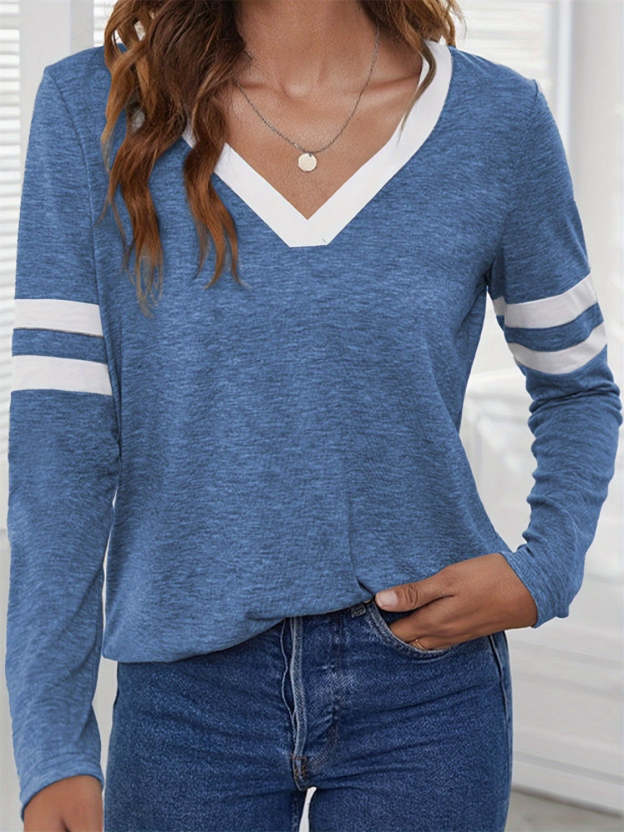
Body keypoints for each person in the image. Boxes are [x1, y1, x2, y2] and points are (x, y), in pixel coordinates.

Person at [5, 1, 622, 830]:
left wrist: (544, 569)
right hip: (185, 699)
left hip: (428, 695)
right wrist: (52, 743)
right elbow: (60, 449)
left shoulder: (496, 120)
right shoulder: (97, 111)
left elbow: (578, 387)